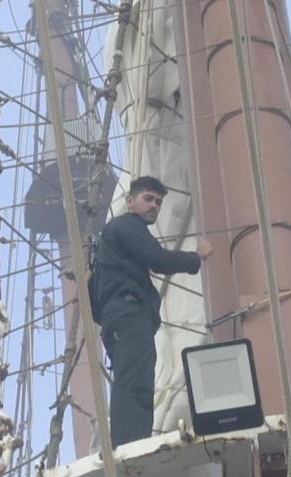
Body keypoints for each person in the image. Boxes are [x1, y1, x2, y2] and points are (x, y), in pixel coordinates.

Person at [87, 175, 214, 445]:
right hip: (129, 315)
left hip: (120, 318)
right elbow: (159, 260)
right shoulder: (127, 225)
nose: (154, 205)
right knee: (136, 382)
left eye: (158, 201)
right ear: (130, 201)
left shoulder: (115, 238)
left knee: (132, 379)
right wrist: (197, 256)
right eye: (148, 199)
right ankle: (131, 443)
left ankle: (128, 441)